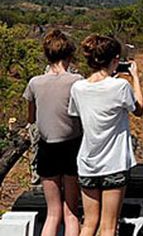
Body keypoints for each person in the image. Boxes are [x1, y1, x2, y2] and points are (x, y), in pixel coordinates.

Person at [68, 34, 143, 236]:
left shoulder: (78, 87)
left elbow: (76, 114)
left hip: (87, 162)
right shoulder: (120, 86)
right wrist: (135, 77)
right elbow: (139, 109)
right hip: (114, 164)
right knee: (109, 226)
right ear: (115, 60)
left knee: (89, 223)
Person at [23, 29, 83, 236]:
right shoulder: (77, 82)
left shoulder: (34, 83)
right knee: (71, 212)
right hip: (72, 147)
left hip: (46, 148)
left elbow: (31, 118)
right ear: (69, 55)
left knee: (52, 213)